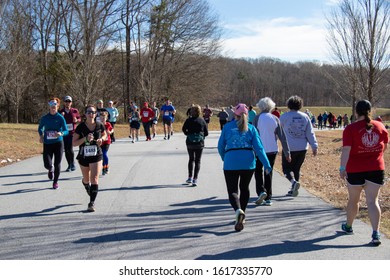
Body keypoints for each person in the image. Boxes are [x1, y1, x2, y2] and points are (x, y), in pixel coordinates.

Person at [339, 100, 388, 246]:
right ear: (370, 111)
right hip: (376, 168)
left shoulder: (351, 128)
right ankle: (375, 233)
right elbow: (384, 146)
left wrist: (342, 168)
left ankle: (348, 226)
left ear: (356, 112)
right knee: (373, 201)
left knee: (354, 200)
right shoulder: (379, 126)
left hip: (355, 169)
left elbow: (346, 150)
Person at [218, 103, 271, 232]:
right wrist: (266, 164)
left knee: (232, 190)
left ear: (234, 115)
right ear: (247, 115)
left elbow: (220, 146)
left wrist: (225, 157)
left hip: (231, 161)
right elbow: (259, 148)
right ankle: (243, 213)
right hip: (248, 162)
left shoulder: (227, 127)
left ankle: (238, 210)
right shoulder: (251, 128)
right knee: (244, 188)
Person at [253, 97, 291, 206]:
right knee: (268, 172)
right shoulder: (275, 118)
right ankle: (268, 197)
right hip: (272, 150)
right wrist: (287, 152)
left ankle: (261, 191)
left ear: (260, 106)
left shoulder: (257, 118)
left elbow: (253, 135)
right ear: (271, 106)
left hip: (259, 150)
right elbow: (282, 137)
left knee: (258, 171)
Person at [280, 96, 318, 197]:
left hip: (289, 147)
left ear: (289, 104)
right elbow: (310, 132)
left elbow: (278, 130)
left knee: (286, 168)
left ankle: (293, 183)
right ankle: (294, 189)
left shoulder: (284, 117)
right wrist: (314, 146)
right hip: (302, 147)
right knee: (296, 168)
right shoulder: (305, 117)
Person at [72, 104, 107, 212]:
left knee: (95, 178)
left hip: (97, 154)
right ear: (85, 114)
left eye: (93, 112)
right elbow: (74, 143)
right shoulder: (81, 127)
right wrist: (85, 138)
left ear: (95, 114)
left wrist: (102, 139)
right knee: (87, 179)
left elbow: (105, 134)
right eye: (89, 112)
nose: (91, 114)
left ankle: (91, 203)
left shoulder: (99, 125)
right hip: (84, 155)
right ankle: (86, 185)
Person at [38, 97, 69, 189]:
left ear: (58, 106)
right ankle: (50, 168)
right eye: (51, 105)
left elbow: (66, 130)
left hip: (58, 143)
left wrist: (61, 133)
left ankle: (55, 182)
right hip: (47, 143)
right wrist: (41, 135)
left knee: (57, 163)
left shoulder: (60, 118)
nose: (53, 106)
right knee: (47, 164)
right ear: (49, 106)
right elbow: (40, 128)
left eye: (55, 104)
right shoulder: (45, 118)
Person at [182, 105, 209, 187]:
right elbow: (206, 133)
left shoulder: (188, 120)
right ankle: (195, 179)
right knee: (198, 161)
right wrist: (201, 136)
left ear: (191, 112)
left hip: (190, 142)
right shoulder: (202, 121)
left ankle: (189, 177)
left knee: (191, 159)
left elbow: (183, 129)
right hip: (199, 143)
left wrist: (188, 134)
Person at [59, 95, 81, 172]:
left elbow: (79, 119)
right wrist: (61, 117)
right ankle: (69, 164)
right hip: (64, 133)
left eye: (69, 101)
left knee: (70, 148)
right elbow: (57, 121)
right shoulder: (61, 111)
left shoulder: (75, 111)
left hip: (72, 132)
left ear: (71, 103)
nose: (68, 103)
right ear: (64, 103)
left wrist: (76, 120)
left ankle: (72, 163)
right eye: (66, 101)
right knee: (66, 149)